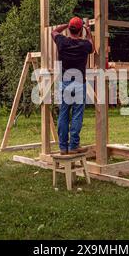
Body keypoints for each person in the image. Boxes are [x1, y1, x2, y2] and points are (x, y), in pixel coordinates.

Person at [51, 17, 95, 154]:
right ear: (80, 30)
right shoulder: (84, 45)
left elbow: (54, 31)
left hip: (65, 82)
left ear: (69, 28)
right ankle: (74, 146)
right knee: (77, 115)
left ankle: (63, 147)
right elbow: (92, 47)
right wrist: (88, 32)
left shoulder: (62, 42)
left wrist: (65, 24)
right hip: (79, 83)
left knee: (63, 114)